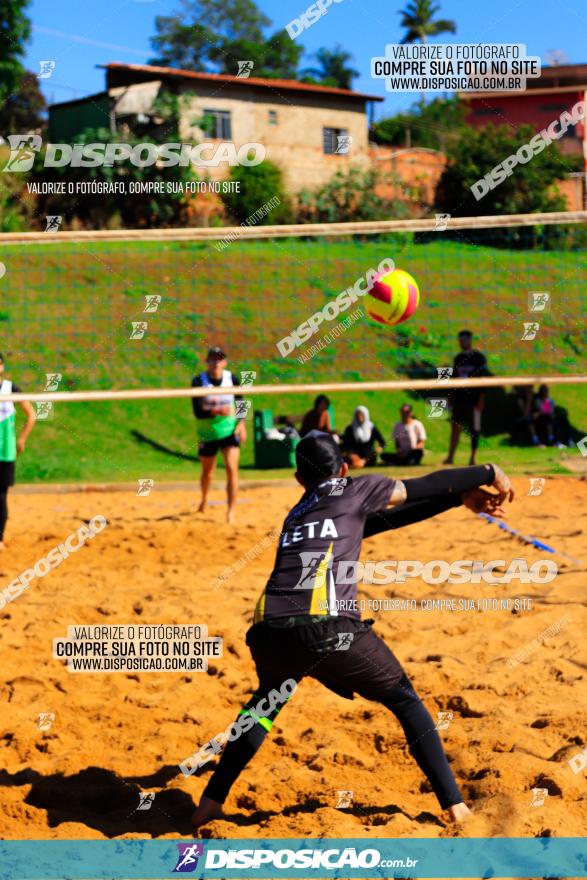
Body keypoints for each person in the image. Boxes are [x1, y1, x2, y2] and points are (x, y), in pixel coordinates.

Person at [190, 430, 514, 828]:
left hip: (267, 630)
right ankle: (457, 808)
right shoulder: (356, 489)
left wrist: (457, 498)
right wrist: (488, 470)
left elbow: (388, 520)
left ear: (299, 479)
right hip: (326, 628)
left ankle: (209, 802)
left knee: (264, 707)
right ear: (344, 468)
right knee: (405, 699)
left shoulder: (298, 511)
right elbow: (421, 485)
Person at [191, 347, 246, 524]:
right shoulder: (199, 381)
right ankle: (204, 498)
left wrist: (242, 423)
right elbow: (198, 411)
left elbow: (241, 402)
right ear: (206, 361)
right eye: (212, 359)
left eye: (219, 359)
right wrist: (219, 410)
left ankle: (231, 511)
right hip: (207, 433)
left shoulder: (232, 379)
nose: (215, 362)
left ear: (224, 362)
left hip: (229, 431)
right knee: (208, 473)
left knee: (232, 469)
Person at [0, 354, 36, 549]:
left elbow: (31, 415)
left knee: (1, 496)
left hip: (4, 452)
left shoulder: (10, 389)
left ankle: (0, 538)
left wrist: (22, 438)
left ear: (2, 366)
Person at [444, 330, 489, 466]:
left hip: (474, 400)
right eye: (460, 340)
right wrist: (451, 396)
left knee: (474, 429)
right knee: (455, 427)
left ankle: (473, 458)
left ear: (470, 340)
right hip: (459, 399)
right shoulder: (458, 358)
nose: (461, 342)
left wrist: (481, 399)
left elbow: (484, 379)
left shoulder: (479, 357)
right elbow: (454, 378)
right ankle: (450, 457)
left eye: (464, 339)